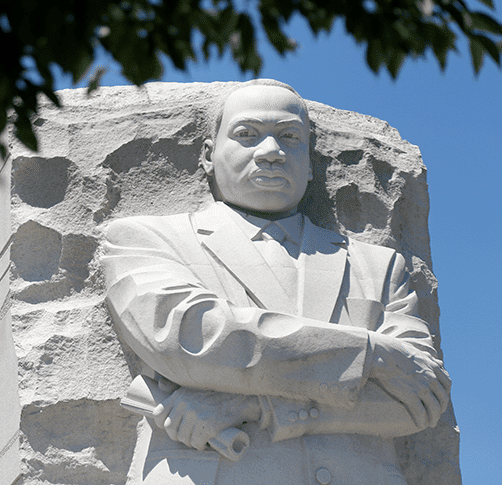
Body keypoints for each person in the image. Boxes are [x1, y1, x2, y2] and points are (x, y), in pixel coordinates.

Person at [101, 79, 450, 485]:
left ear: (310, 162)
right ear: (208, 156)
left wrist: (258, 406)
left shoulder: (379, 266)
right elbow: (194, 339)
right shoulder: (148, 240)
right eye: (247, 135)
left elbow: (419, 399)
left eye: (289, 137)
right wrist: (373, 355)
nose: (270, 153)